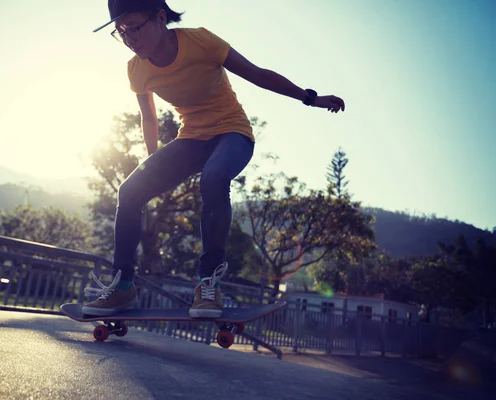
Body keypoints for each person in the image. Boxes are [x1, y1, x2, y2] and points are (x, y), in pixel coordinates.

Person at [82, 0, 345, 318]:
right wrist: (154, 167)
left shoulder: (201, 41)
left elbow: (257, 74)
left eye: (134, 27)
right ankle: (122, 286)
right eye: (120, 32)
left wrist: (310, 97)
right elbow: (148, 119)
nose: (129, 38)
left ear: (160, 18)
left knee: (214, 177)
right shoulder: (136, 69)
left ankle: (208, 284)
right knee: (129, 191)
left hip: (232, 133)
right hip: (191, 138)